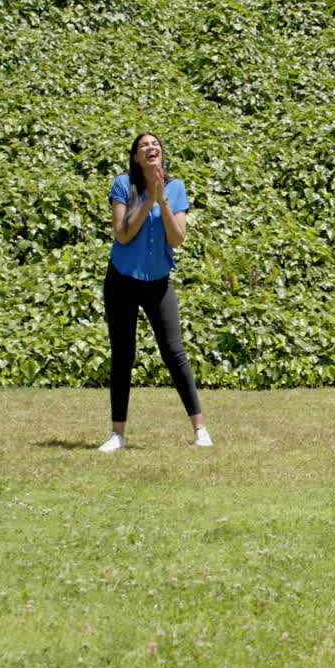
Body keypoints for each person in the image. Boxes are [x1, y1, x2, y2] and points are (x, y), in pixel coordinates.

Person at [98, 132, 213, 452]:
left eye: (155, 145)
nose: (151, 148)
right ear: (136, 157)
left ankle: (200, 429)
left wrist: (162, 198)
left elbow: (176, 239)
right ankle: (117, 434)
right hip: (121, 279)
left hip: (158, 281)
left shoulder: (175, 188)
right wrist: (148, 197)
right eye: (143, 146)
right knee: (123, 354)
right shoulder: (124, 184)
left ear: (161, 153)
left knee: (174, 352)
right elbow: (122, 235)